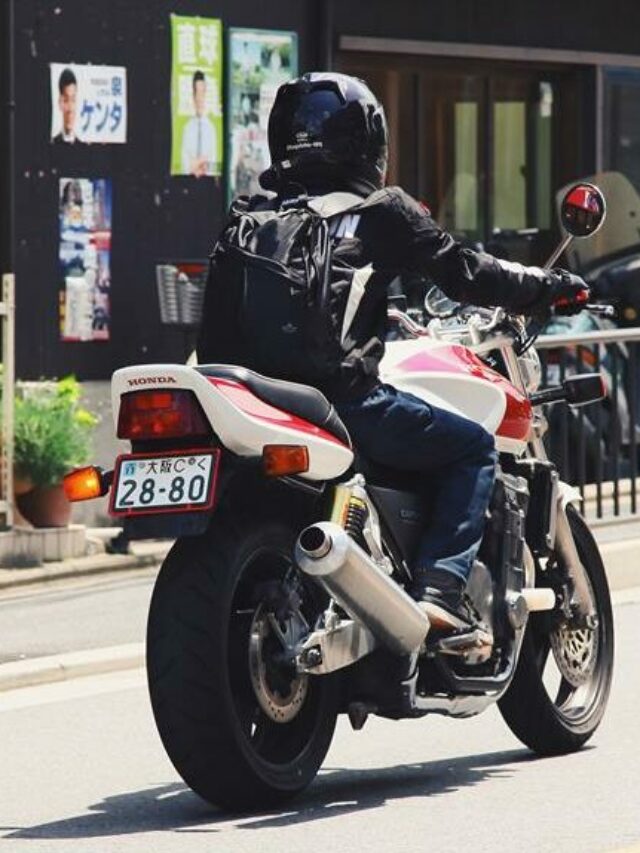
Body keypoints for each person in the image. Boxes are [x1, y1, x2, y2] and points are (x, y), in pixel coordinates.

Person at [199, 72, 589, 631]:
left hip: (252, 403)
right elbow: (467, 272)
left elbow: (212, 331)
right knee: (471, 449)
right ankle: (440, 589)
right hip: (344, 404)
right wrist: (549, 287)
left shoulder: (247, 219)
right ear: (367, 142)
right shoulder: (383, 213)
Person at [181, 71, 217, 177]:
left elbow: (213, 164)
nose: (199, 98)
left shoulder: (211, 128)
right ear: (192, 95)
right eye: (196, 92)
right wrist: (199, 163)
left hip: (207, 182)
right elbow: (185, 164)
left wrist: (196, 164)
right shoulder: (187, 128)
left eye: (202, 92)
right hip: (189, 181)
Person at [52, 67, 85, 145]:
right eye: (66, 100)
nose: (70, 109)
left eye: (73, 100)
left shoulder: (83, 146)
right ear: (60, 103)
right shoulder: (52, 143)